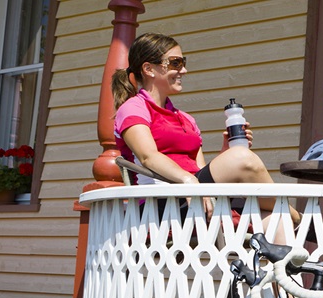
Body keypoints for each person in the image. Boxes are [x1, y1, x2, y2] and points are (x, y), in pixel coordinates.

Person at [111, 32, 299, 230]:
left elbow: (199, 170)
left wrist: (225, 153)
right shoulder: (134, 108)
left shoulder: (186, 119)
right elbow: (148, 157)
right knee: (243, 158)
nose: (184, 70)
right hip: (158, 206)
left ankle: (285, 257)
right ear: (149, 69)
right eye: (175, 63)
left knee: (274, 216)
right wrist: (188, 180)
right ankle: (300, 218)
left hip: (196, 197)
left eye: (183, 62)